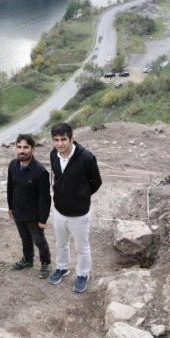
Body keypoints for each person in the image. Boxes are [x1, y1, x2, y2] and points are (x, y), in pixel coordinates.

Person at [47, 122, 102, 293]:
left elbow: (96, 182)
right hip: (59, 210)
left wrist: (81, 196)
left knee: (82, 247)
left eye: (63, 139)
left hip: (79, 213)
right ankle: (62, 268)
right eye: (56, 140)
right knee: (61, 243)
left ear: (72, 138)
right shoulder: (53, 155)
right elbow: (57, 178)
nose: (60, 144)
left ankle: (83, 274)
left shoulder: (86, 157)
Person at [7, 134, 52, 278]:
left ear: (33, 150)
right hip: (18, 212)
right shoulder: (13, 165)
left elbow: (45, 198)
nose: (22, 150)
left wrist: (43, 220)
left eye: (26, 147)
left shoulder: (40, 172)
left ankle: (46, 263)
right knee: (24, 238)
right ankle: (27, 260)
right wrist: (10, 208)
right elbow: (10, 188)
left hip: (34, 215)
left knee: (39, 240)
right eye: (19, 147)